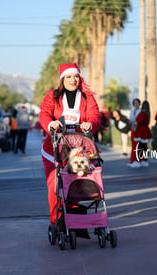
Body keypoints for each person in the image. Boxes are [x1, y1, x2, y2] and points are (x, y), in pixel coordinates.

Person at [39, 63, 100, 225]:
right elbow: (44, 114)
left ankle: (74, 220)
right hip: (53, 150)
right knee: (55, 185)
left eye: (75, 77)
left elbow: (94, 115)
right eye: (68, 77)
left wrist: (90, 124)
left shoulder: (87, 97)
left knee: (75, 185)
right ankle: (57, 221)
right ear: (62, 79)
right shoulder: (53, 96)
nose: (73, 80)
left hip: (78, 150)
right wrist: (51, 124)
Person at [127, 99, 153, 168]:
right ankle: (144, 160)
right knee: (144, 146)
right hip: (144, 130)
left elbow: (137, 121)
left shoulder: (142, 113)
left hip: (140, 130)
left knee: (139, 146)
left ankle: (138, 161)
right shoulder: (146, 113)